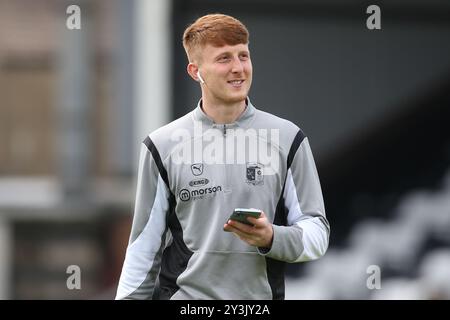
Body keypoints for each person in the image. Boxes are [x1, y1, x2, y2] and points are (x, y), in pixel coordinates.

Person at [116, 13, 330, 300]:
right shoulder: (162, 145)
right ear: (195, 71)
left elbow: (317, 235)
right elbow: (144, 248)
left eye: (244, 55)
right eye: (224, 58)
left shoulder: (288, 138)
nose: (238, 68)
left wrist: (271, 238)